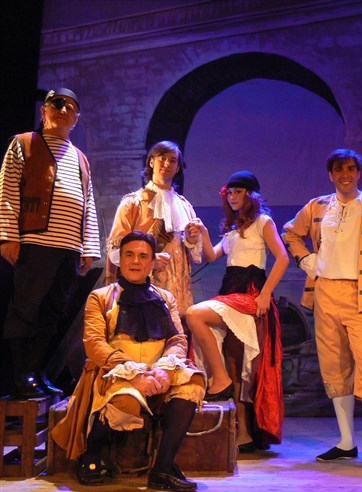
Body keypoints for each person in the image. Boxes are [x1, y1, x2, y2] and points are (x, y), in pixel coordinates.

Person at [282, 148, 362, 471]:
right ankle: (346, 442)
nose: (345, 175)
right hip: (325, 293)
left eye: (351, 169)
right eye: (339, 169)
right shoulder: (317, 205)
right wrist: (306, 259)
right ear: (331, 174)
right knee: (334, 368)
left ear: (358, 173)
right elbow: (290, 233)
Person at [51, 231, 205, 492]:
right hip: (116, 374)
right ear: (119, 259)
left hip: (158, 373)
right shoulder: (100, 297)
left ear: (152, 262)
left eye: (143, 256)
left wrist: (164, 370)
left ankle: (163, 469)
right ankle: (92, 454)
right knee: (126, 400)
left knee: (192, 385)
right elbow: (95, 344)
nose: (135, 261)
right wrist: (134, 375)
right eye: (129, 255)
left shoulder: (165, 298)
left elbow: (178, 339)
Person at [0, 87, 100, 399]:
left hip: (68, 247)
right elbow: (7, 191)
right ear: (44, 111)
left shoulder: (81, 158)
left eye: (70, 106)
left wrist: (89, 247)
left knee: (53, 312)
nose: (63, 109)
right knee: (26, 307)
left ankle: (37, 372)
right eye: (56, 103)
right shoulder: (24, 143)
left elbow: (88, 203)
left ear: (76, 118)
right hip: (35, 242)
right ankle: (20, 375)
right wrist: (8, 235)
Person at [187, 171, 288, 452]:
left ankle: (218, 379)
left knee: (194, 314)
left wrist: (265, 294)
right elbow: (211, 256)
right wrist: (203, 232)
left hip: (250, 295)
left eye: (238, 192)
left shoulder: (263, 222)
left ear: (250, 195)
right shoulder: (232, 231)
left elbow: (282, 257)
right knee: (236, 363)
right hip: (230, 293)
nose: (232, 197)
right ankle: (243, 434)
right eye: (229, 192)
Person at [105, 140, 202, 320]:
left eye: (172, 160)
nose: (167, 163)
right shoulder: (132, 203)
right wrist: (148, 261)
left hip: (180, 294)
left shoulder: (185, 206)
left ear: (178, 168)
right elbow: (115, 251)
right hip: (144, 290)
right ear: (151, 162)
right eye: (162, 158)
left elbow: (193, 257)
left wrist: (192, 240)